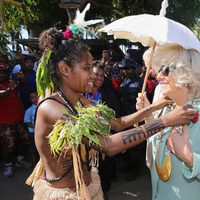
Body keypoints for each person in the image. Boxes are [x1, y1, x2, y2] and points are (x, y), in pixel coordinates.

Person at [29, 28, 194, 200]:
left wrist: (153, 107)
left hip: (88, 188)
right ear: (65, 69)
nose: (92, 75)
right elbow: (108, 145)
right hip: (65, 195)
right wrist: (164, 121)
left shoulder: (80, 101)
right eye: (86, 68)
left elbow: (117, 124)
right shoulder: (52, 108)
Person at [136, 45, 200, 200]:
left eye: (164, 70)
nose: (158, 76)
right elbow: (156, 145)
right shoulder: (167, 109)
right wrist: (148, 114)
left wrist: (189, 157)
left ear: (184, 71)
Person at [85, 61, 121, 198]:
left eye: (101, 75)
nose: (99, 78)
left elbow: (116, 116)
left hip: (105, 139)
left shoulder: (107, 94)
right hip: (86, 140)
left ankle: (103, 192)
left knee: (104, 169)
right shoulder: (82, 94)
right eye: (96, 74)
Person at [0, 61, 31, 177]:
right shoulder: (9, 86)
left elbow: (25, 89)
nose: (2, 75)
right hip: (5, 121)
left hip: (20, 118)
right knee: (9, 144)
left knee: (26, 139)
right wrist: (8, 91)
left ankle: (20, 159)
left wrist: (23, 80)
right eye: (0, 73)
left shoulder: (12, 82)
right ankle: (8, 165)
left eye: (3, 72)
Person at [24, 91, 39, 166]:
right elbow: (27, 122)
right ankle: (35, 165)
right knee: (33, 150)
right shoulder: (29, 110)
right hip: (33, 133)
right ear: (30, 100)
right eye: (33, 97)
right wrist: (37, 127)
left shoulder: (43, 107)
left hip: (42, 132)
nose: (36, 98)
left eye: (37, 96)